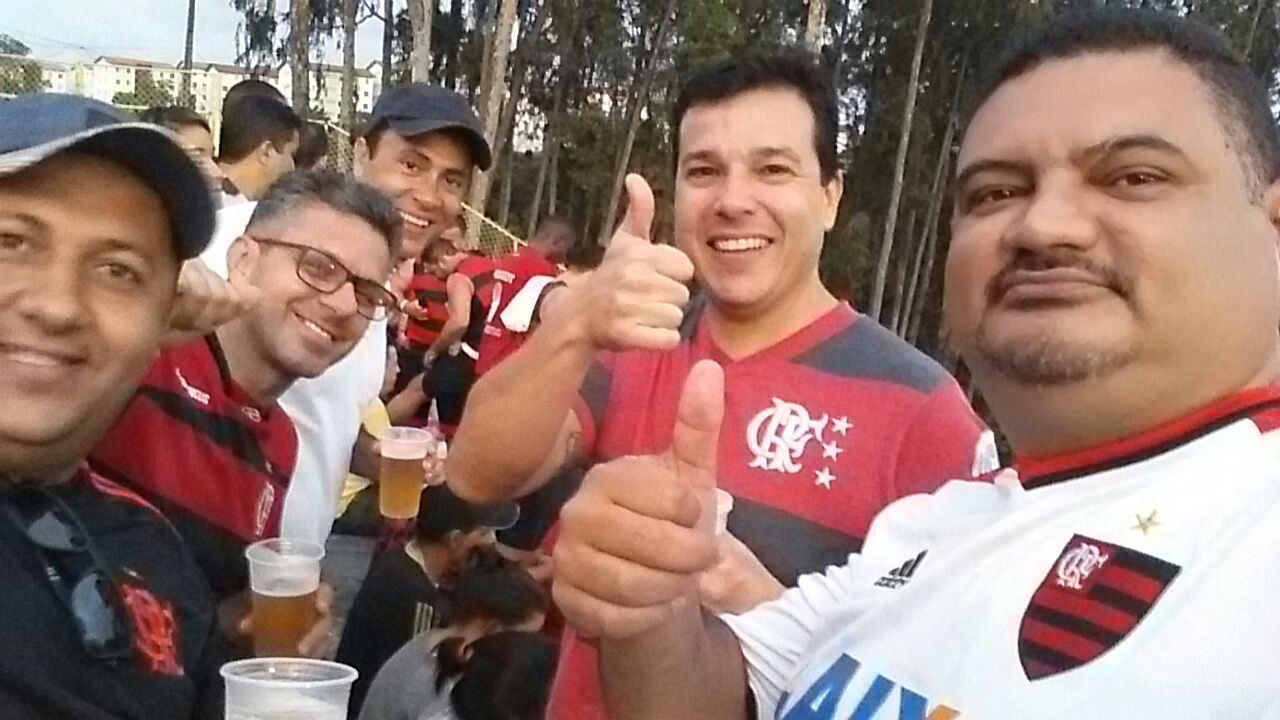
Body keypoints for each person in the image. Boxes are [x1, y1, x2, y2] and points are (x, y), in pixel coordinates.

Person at [552, 10, 1280, 719]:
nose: (1042, 225)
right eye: (997, 192)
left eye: (1134, 177)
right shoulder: (933, 529)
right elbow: (712, 696)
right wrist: (654, 605)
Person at [447, 50, 995, 718]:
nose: (734, 202)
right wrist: (577, 322)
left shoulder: (923, 409)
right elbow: (477, 474)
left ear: (830, 196)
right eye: (704, 171)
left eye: (773, 169)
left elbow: (962, 678)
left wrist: (767, 609)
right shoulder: (636, 340)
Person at [90, 170, 401, 652]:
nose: (343, 305)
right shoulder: (144, 357)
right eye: (318, 267)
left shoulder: (281, 441)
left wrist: (249, 625)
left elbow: (188, 619)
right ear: (243, 260)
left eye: (366, 295)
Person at [0, 93, 222, 718]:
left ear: (164, 325)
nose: (57, 306)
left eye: (118, 271)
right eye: (11, 241)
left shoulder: (156, 549)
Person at [199, 83, 492, 548]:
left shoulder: (371, 295)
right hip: (193, 554)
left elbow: (327, 427)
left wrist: (379, 459)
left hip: (288, 568)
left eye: (451, 181)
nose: (429, 195)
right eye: (411, 165)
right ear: (360, 154)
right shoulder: (250, 235)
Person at [337, 489, 521, 716]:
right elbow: (424, 685)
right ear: (455, 540)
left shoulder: (401, 560)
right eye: (484, 532)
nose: (492, 540)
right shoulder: (416, 597)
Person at [358, 554, 550, 720]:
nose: (529, 646)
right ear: (492, 628)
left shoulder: (433, 642)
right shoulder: (437, 681)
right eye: (525, 637)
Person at [473, 216, 576, 377]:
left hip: (488, 348)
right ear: (557, 242)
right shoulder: (542, 270)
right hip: (510, 356)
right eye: (566, 248)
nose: (566, 255)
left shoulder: (509, 259)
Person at [216, 94, 302, 203]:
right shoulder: (223, 208)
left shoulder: (202, 195)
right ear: (267, 152)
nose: (293, 168)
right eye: (292, 154)